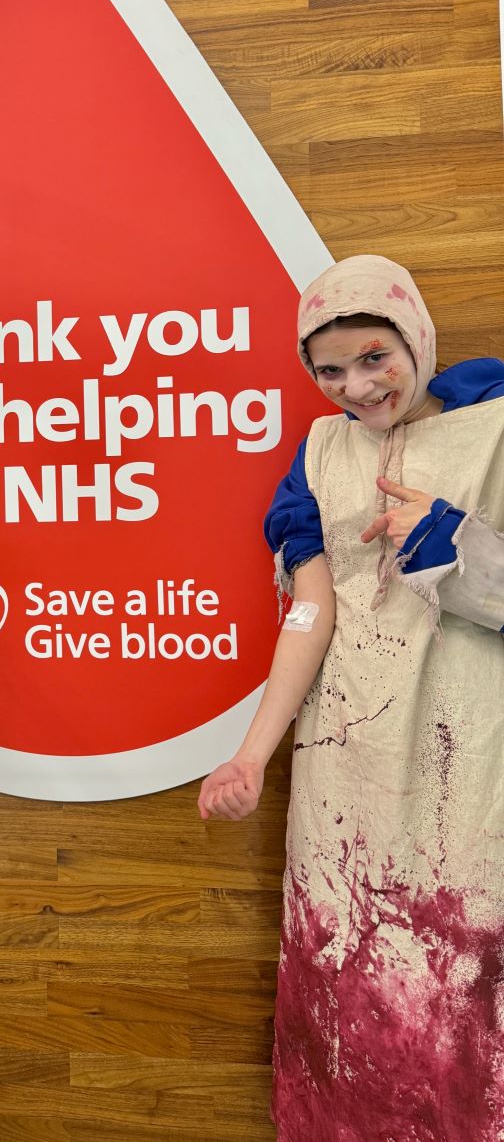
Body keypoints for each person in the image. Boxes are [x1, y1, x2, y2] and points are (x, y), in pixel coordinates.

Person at [197, 254, 504, 1141]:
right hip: (346, 770)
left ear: (414, 335)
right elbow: (310, 613)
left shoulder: (496, 429)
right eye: (328, 370)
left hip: (470, 768)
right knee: (346, 987)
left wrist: (452, 543)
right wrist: (252, 754)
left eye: (375, 357)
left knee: (455, 998)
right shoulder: (322, 453)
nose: (356, 386)